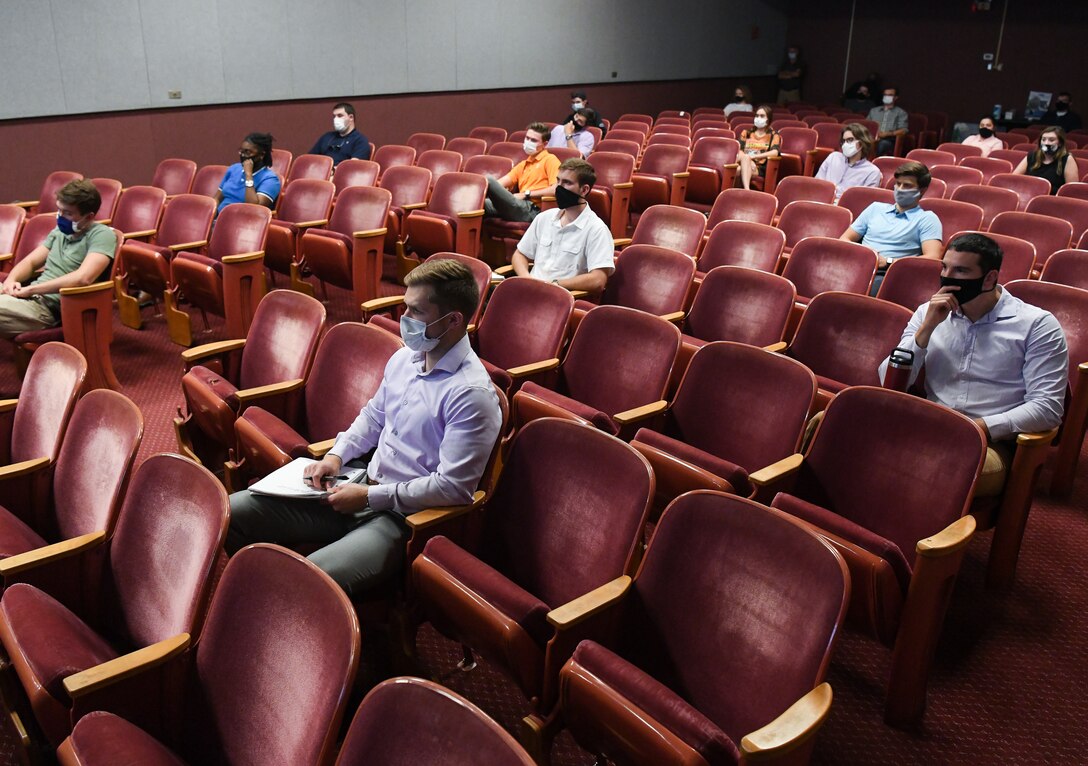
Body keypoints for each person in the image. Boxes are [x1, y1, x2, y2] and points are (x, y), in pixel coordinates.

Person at [226, 258, 503, 596]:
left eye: (416, 312)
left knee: (309, 583)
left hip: (403, 518)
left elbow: (453, 488)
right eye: (405, 308)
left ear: (454, 320)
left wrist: (371, 497)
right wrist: (335, 457)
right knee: (232, 512)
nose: (405, 320)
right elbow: (373, 417)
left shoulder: (471, 394)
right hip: (358, 485)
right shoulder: (405, 359)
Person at [878, 233, 1067, 495]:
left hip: (988, 441)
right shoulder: (928, 312)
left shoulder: (1036, 325)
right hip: (929, 422)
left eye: (961, 271)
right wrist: (926, 331)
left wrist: (980, 427)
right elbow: (888, 380)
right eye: (945, 268)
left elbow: (1047, 408)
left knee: (924, 465)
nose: (948, 277)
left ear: (989, 278)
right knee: (830, 423)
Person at [0, 180, 116, 339]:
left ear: (89, 216)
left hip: (48, 309)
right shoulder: (59, 232)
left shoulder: (102, 235)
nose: (60, 217)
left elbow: (83, 278)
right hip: (30, 297)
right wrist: (11, 280)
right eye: (59, 210)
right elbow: (31, 262)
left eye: (67, 213)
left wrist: (30, 290)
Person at [511, 158, 615, 293]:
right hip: (530, 290)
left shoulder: (597, 229)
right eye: (558, 181)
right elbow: (520, 254)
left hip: (561, 298)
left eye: (566, 183)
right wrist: (526, 278)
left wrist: (555, 284)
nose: (558, 188)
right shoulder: (544, 218)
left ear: (584, 190)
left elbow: (598, 279)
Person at [841, 160, 942, 295]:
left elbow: (933, 258)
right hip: (857, 264)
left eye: (907, 185)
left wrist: (889, 262)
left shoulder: (927, 219)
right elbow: (845, 239)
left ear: (922, 190)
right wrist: (865, 254)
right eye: (898, 184)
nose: (900, 189)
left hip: (888, 273)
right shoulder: (875, 208)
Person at [483, 122, 561, 222]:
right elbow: (499, 183)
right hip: (517, 204)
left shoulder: (550, 160)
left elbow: (556, 189)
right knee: (478, 203)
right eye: (527, 138)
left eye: (533, 140)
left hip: (532, 209)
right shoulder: (524, 164)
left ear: (544, 144)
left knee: (488, 179)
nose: (528, 142)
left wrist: (527, 194)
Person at [815, 122, 882, 202]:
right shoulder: (833, 157)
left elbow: (864, 202)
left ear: (861, 143)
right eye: (844, 141)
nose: (845, 144)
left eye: (850, 140)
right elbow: (817, 184)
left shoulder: (872, 172)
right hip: (821, 200)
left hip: (844, 208)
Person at [215, 132, 281, 213]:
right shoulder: (234, 169)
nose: (243, 155)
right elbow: (217, 199)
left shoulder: (271, 180)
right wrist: (211, 216)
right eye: (241, 151)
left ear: (261, 155)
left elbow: (254, 209)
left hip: (242, 221)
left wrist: (248, 175)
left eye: (248, 152)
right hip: (219, 218)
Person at [1013, 126, 1080, 195]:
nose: (1046, 143)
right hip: (1029, 195)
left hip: (1052, 199)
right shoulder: (1032, 156)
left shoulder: (1067, 159)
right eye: (1043, 139)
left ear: (1060, 143)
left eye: (1051, 140)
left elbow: (1072, 190)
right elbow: (1013, 178)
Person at [736, 105, 781, 190]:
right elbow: (739, 150)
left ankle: (745, 191)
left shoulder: (773, 135)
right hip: (745, 162)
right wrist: (749, 160)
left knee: (739, 167)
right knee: (737, 169)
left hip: (759, 168)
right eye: (757, 116)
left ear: (768, 119)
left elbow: (775, 152)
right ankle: (743, 192)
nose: (758, 118)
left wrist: (753, 157)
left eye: (762, 116)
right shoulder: (747, 133)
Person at [867, 86, 908, 156]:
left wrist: (887, 134)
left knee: (882, 144)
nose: (887, 97)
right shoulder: (874, 111)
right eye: (885, 95)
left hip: (889, 140)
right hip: (872, 138)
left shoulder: (901, 113)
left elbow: (903, 130)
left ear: (896, 97)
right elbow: (866, 125)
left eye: (890, 95)